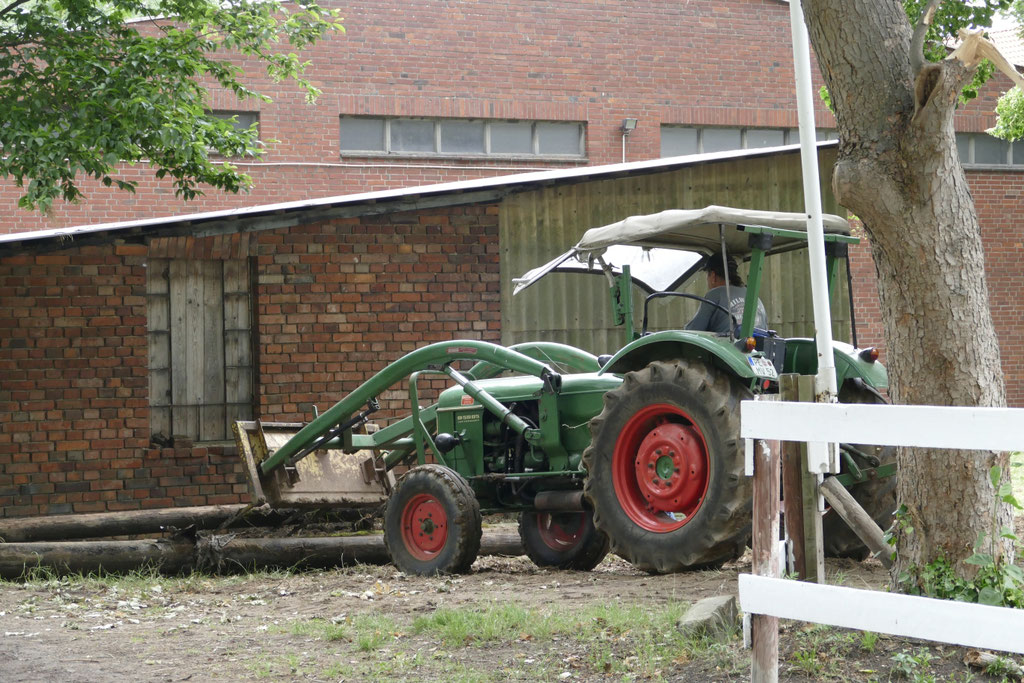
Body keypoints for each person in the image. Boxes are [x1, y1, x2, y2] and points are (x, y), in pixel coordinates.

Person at [684, 253, 767, 334]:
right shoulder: (754, 297)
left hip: (728, 346)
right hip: (758, 347)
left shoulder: (714, 294)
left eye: (707, 276)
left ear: (713, 276)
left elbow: (693, 331)